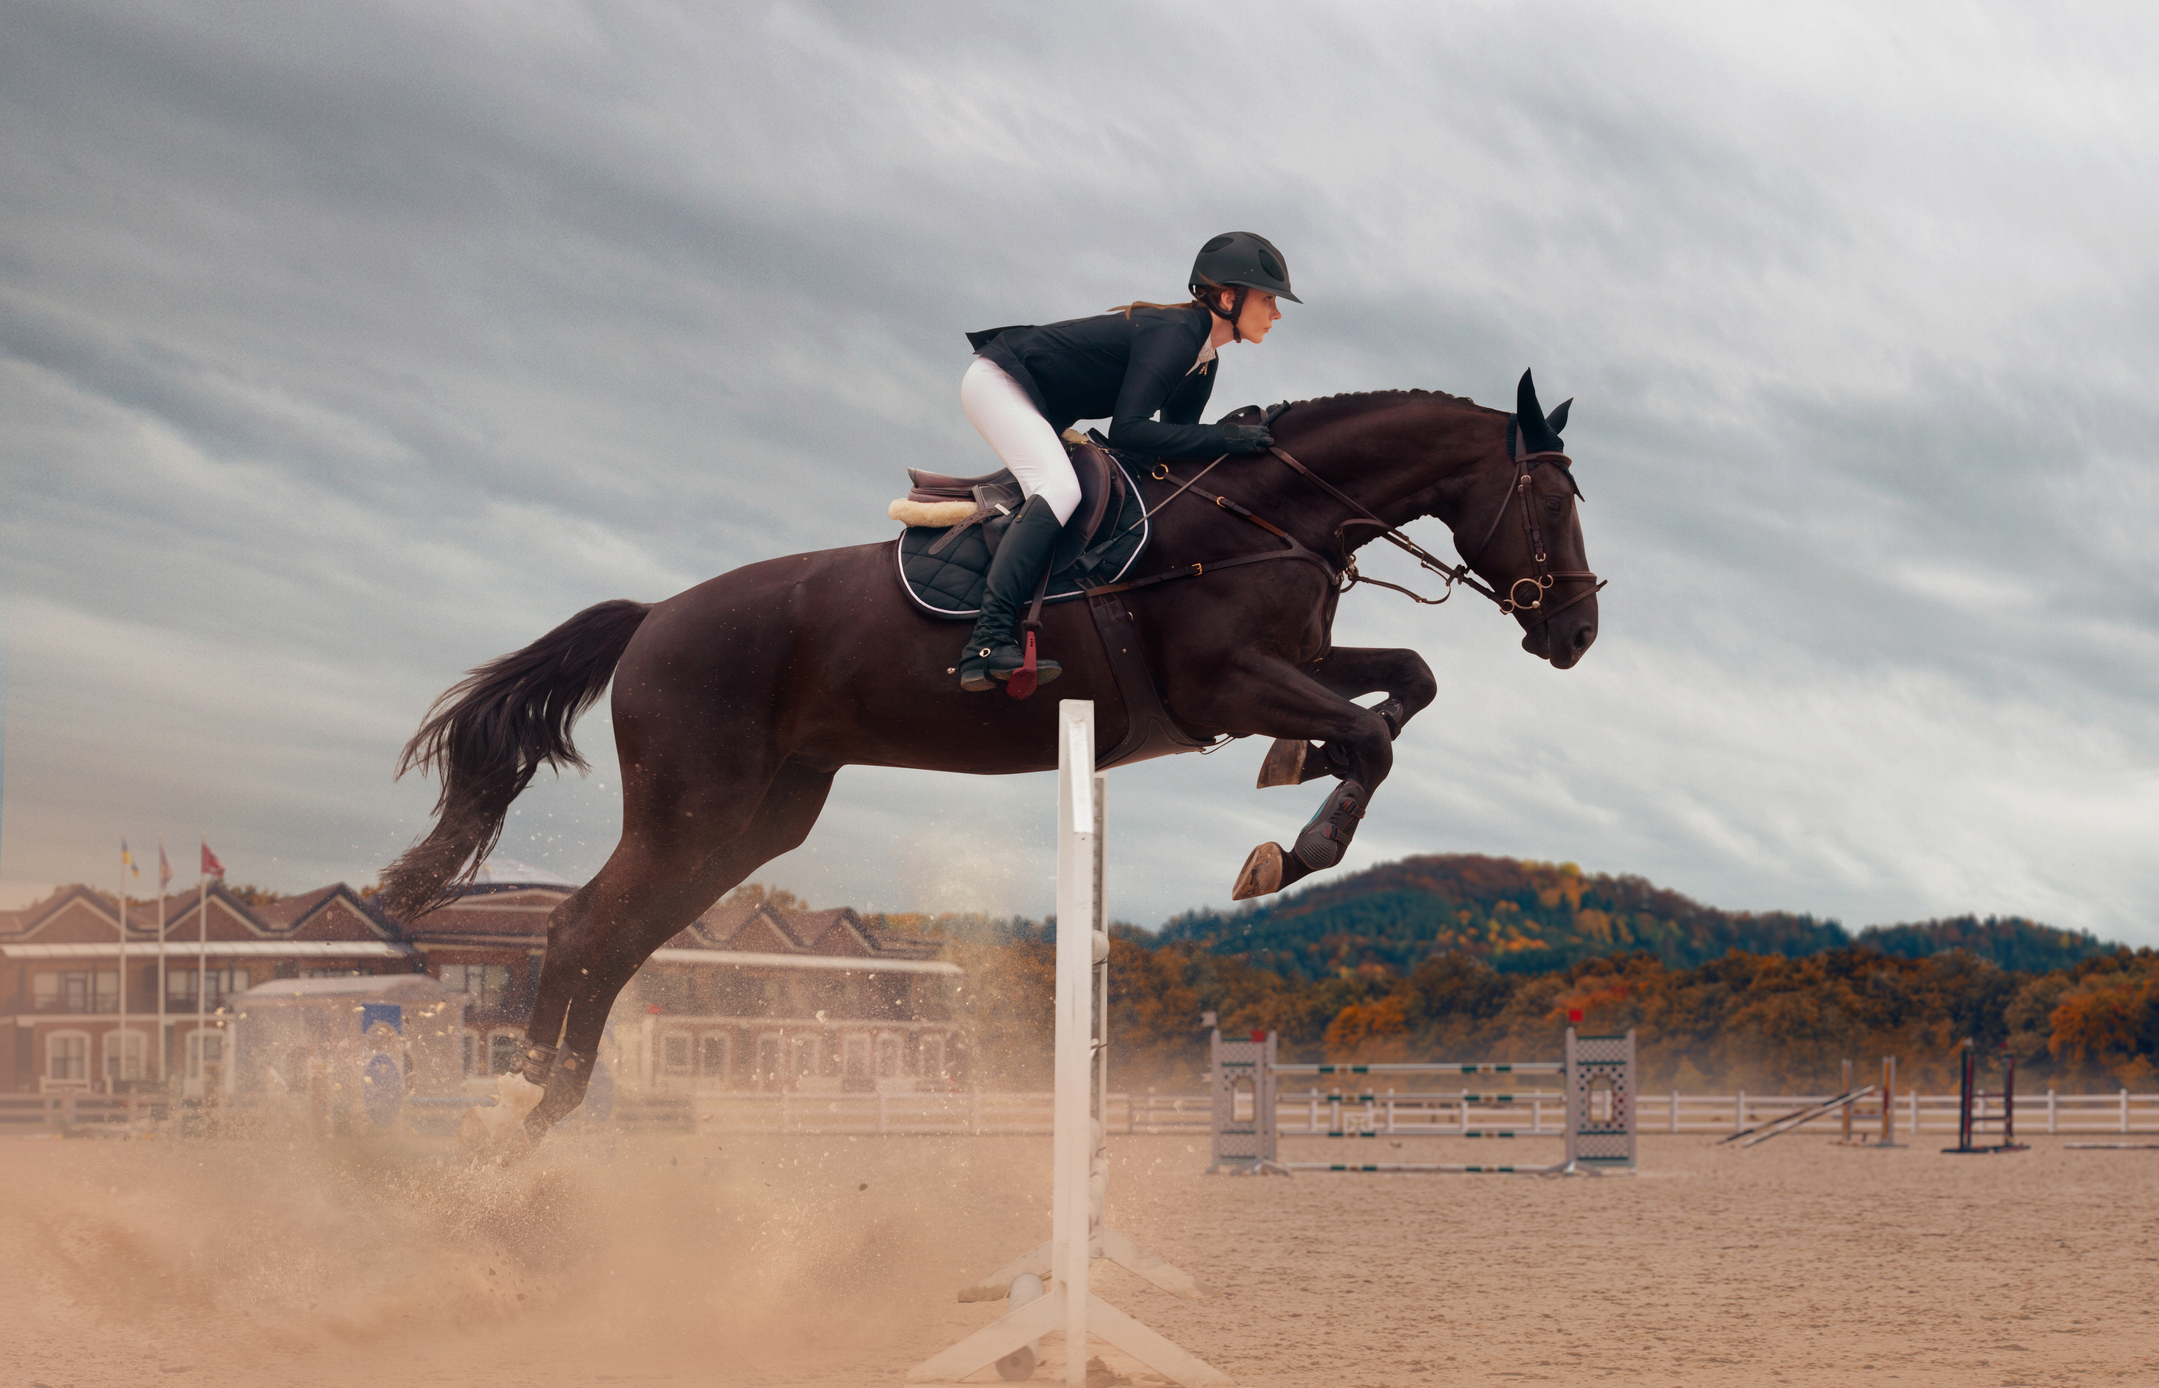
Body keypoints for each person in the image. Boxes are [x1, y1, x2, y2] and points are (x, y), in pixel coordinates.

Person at [953, 231, 1298, 691]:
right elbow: (1129, 430)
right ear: (1229, 298)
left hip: (1037, 402)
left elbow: (1172, 449)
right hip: (999, 382)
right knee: (1058, 488)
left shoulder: (1204, 360)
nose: (1276, 313)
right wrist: (1230, 438)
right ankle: (988, 639)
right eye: (1269, 300)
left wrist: (1250, 445)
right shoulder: (1176, 334)